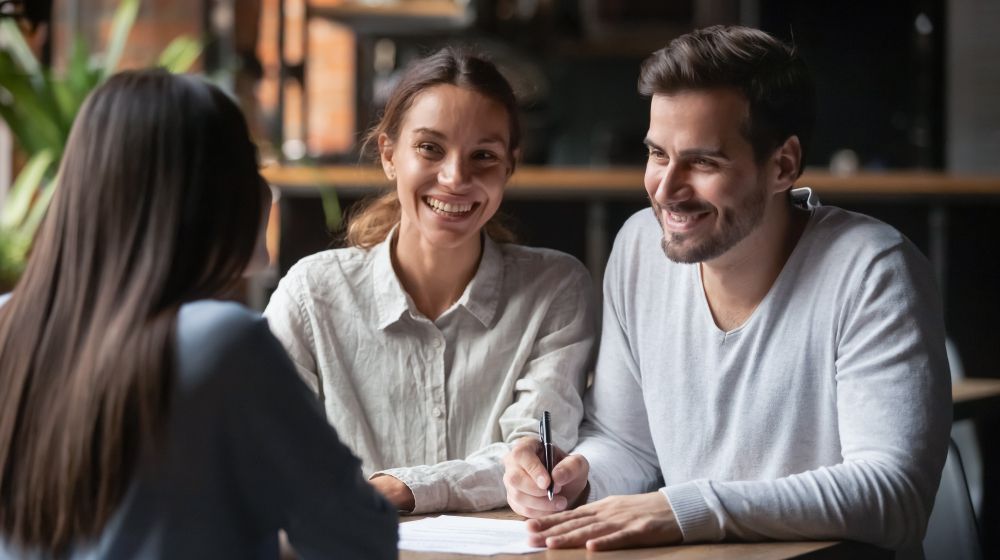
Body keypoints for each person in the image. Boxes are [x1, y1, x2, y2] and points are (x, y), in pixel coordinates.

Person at [502, 25, 951, 556]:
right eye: (658, 155)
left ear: (783, 164)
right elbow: (628, 443)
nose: (666, 190)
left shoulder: (874, 270)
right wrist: (581, 479)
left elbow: (893, 495)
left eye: (703, 162)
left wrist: (687, 508)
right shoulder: (639, 248)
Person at [0, 69, 397, 559]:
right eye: (251, 168)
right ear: (206, 196)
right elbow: (358, 538)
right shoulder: (223, 343)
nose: (265, 192)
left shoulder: (8, 326)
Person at [264, 47, 597, 514]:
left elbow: (531, 460)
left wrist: (403, 489)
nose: (456, 177)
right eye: (430, 148)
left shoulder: (555, 289)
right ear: (388, 155)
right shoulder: (311, 295)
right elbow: (270, 452)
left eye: (483, 155)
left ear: (509, 168)